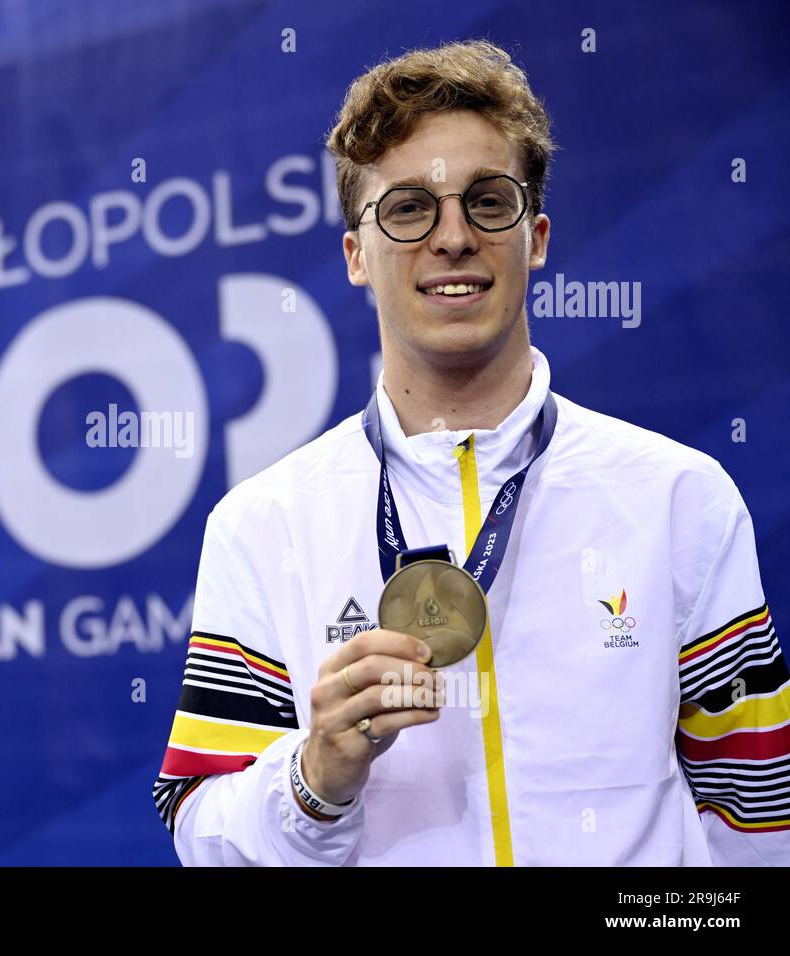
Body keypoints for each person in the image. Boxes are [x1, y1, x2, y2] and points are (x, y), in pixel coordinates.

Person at [151, 39, 789, 865]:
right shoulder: (263, 523)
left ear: (538, 238)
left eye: (488, 201)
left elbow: (759, 814)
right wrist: (315, 781)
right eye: (409, 208)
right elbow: (202, 829)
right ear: (355, 256)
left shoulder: (679, 496)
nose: (452, 238)